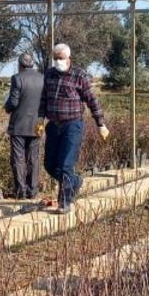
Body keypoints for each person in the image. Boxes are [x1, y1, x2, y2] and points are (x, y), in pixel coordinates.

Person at [39, 43, 108, 214]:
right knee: (49, 164)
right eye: (55, 58)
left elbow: (92, 101)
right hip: (54, 126)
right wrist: (40, 119)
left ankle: (65, 202)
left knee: (65, 166)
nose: (57, 61)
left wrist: (101, 124)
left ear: (68, 58)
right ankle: (75, 182)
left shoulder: (79, 76)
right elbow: (43, 99)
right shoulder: (49, 74)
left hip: (72, 125)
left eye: (60, 58)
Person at [3, 52, 44, 199]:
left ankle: (21, 191)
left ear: (20, 64)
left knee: (18, 158)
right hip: (37, 124)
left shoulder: (17, 78)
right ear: (32, 64)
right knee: (33, 157)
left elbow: (13, 102)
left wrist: (6, 106)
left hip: (19, 125)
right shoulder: (42, 79)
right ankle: (33, 191)